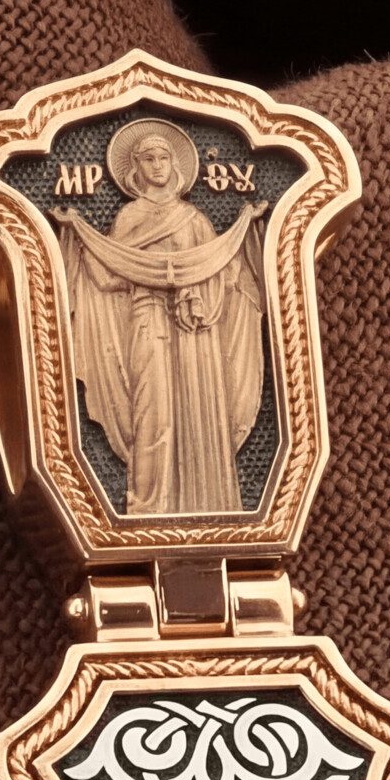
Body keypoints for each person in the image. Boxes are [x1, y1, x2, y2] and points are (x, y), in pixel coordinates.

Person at [54, 121, 266, 514]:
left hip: (195, 328)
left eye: (164, 157)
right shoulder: (129, 217)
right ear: (135, 167)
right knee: (152, 414)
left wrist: (243, 231)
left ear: (175, 164)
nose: (157, 165)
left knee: (199, 413)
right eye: (149, 158)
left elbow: (222, 271)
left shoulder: (195, 219)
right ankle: (149, 506)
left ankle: (207, 501)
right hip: (147, 319)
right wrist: (81, 236)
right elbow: (108, 275)